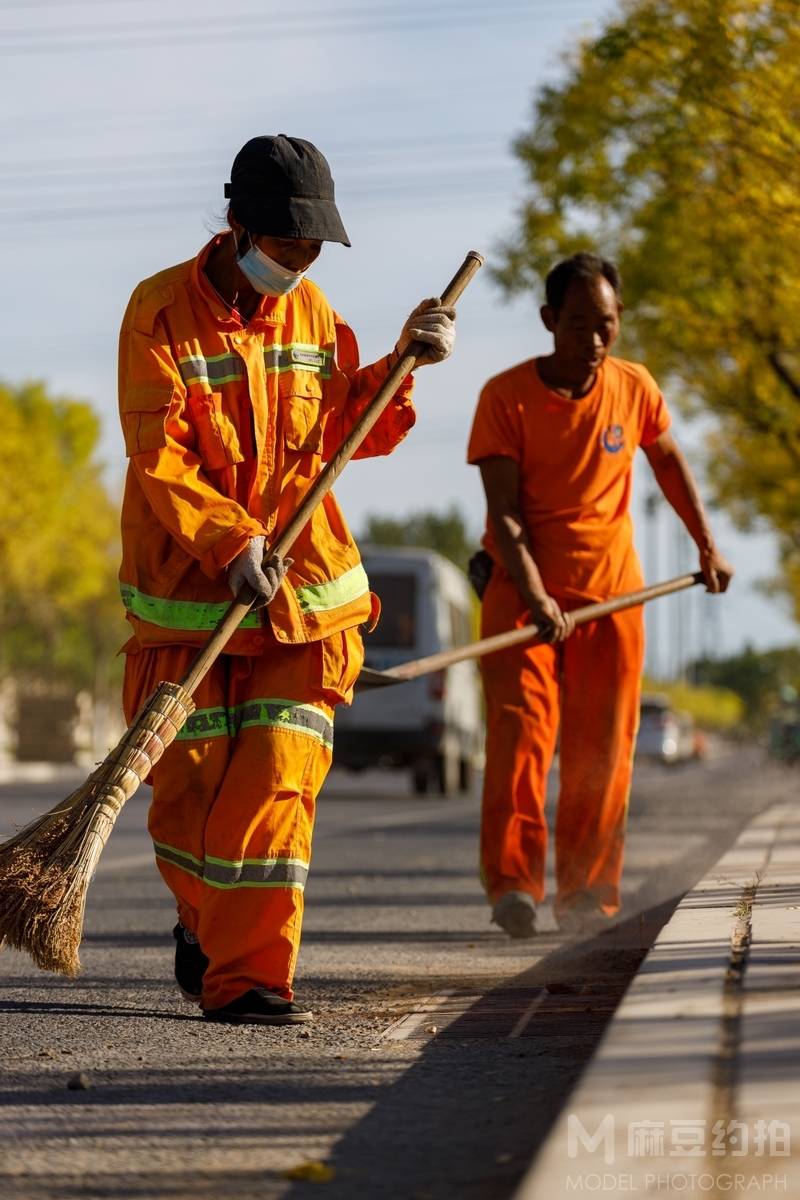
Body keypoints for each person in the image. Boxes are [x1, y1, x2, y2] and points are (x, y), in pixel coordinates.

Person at [118, 135, 456, 1024]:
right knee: (188, 792)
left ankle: (251, 976)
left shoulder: (313, 315)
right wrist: (230, 544)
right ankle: (208, 925)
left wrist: (403, 364)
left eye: (312, 250)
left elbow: (350, 426)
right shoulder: (155, 314)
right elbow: (160, 456)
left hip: (304, 604)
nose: (300, 263)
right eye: (288, 246)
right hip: (191, 602)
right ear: (237, 227)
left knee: (274, 780)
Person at [467, 251, 732, 938]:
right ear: (549, 320)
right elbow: (505, 513)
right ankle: (514, 886)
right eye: (578, 322)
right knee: (522, 740)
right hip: (522, 598)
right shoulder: (505, 397)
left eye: (605, 324)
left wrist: (704, 543)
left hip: (612, 597)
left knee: (603, 751)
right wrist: (535, 595)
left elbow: (669, 462)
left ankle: (588, 891)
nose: (592, 339)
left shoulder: (634, 387)